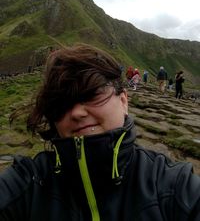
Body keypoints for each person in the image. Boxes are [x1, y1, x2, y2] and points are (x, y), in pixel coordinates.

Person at [0, 43, 200, 221]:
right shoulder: (26, 182)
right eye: (61, 103)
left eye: (93, 94)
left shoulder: (174, 186)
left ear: (123, 101)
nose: (77, 112)